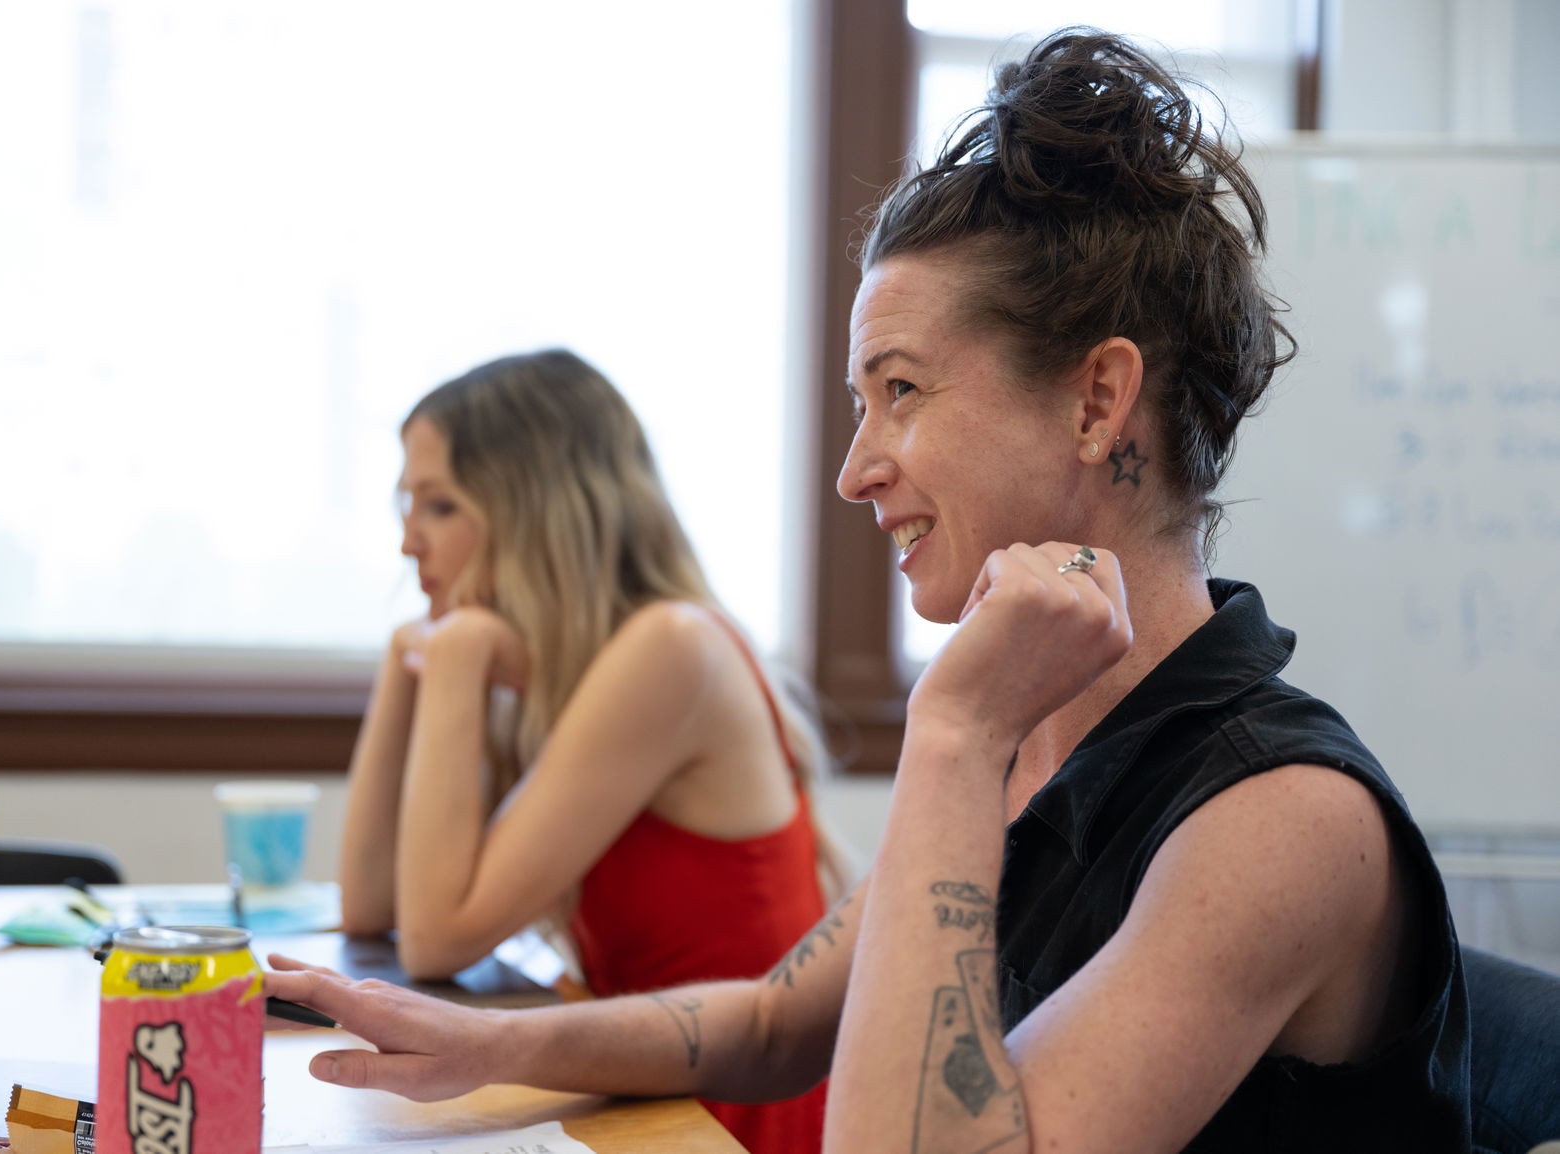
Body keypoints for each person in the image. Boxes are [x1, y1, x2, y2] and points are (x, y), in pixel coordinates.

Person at [271, 32, 1469, 1152]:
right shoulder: (1034, 737)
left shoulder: (1283, 819)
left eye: (901, 390)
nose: (856, 470)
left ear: (1097, 402)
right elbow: (771, 1020)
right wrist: (488, 1041)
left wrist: (950, 730)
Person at [333, 347, 846, 1154]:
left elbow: (435, 937)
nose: (407, 544)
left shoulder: (670, 648)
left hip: (728, 1124)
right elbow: (371, 911)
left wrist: (457, 654)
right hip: (642, 1093)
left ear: (532, 511)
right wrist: (406, 665)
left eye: (437, 507)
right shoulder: (563, 672)